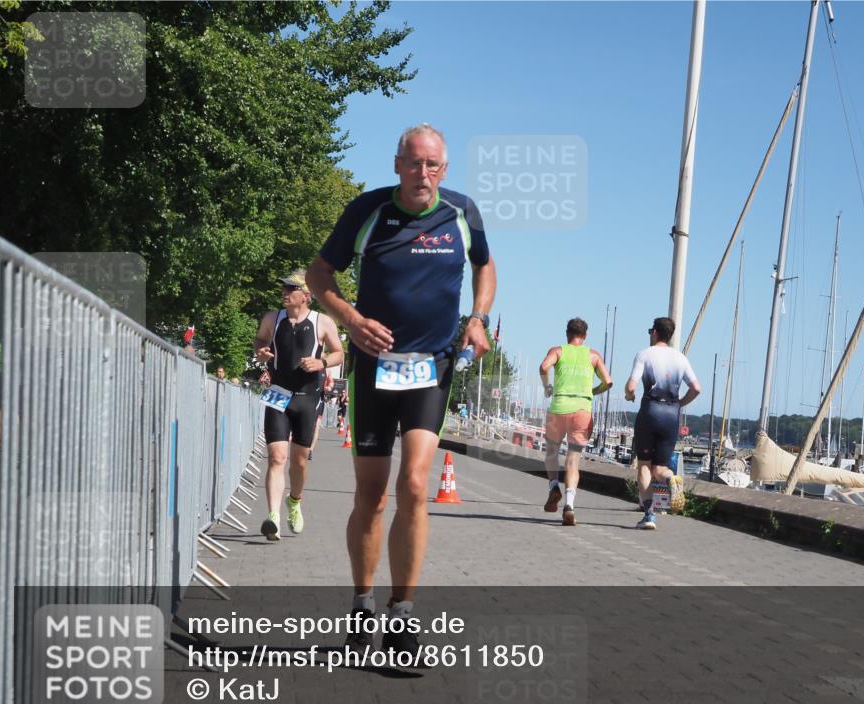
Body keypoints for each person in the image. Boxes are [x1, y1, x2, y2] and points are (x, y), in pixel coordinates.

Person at [307, 123, 496, 656]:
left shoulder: (462, 213)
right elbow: (319, 272)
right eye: (414, 163)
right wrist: (349, 317)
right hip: (373, 368)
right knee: (370, 495)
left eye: (433, 165)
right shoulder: (367, 211)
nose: (424, 174)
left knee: (415, 486)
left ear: (445, 169)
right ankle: (362, 603)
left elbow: (485, 266)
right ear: (397, 165)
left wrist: (478, 319)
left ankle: (402, 615)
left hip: (430, 367)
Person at [254, 270, 344, 540]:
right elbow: (259, 340)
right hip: (278, 393)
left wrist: (322, 362)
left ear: (306, 296)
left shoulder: (323, 322)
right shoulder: (272, 318)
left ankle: (294, 501)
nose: (284, 292)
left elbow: (339, 352)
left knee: (299, 462)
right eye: (283, 288)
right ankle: (273, 518)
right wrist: (261, 351)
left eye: (290, 289)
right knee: (276, 457)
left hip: (307, 397)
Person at [625, 317, 701, 530]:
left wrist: (629, 394)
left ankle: (649, 515)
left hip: (650, 411)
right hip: (671, 414)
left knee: (644, 465)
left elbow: (632, 385)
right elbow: (696, 388)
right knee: (661, 467)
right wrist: (680, 404)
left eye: (651, 331)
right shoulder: (681, 358)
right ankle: (671, 479)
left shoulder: (644, 354)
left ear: (655, 333)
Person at [538, 318, 612, 526]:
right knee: (573, 460)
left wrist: (547, 387)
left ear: (567, 333)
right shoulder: (593, 355)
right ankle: (569, 505)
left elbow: (544, 366)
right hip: (582, 411)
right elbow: (608, 381)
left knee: (551, 452)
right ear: (585, 335)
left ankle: (554, 486)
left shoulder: (558, 351)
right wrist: (593, 392)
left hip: (559, 407)